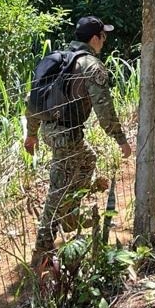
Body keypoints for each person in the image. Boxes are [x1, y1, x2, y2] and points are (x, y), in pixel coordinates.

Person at [24, 16, 132, 268]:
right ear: (95, 38)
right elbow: (104, 109)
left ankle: (70, 214)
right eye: (103, 36)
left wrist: (32, 133)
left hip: (50, 130)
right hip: (67, 134)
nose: (104, 41)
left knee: (87, 160)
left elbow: (33, 100)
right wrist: (121, 140)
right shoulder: (90, 65)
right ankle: (42, 249)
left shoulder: (59, 59)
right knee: (57, 190)